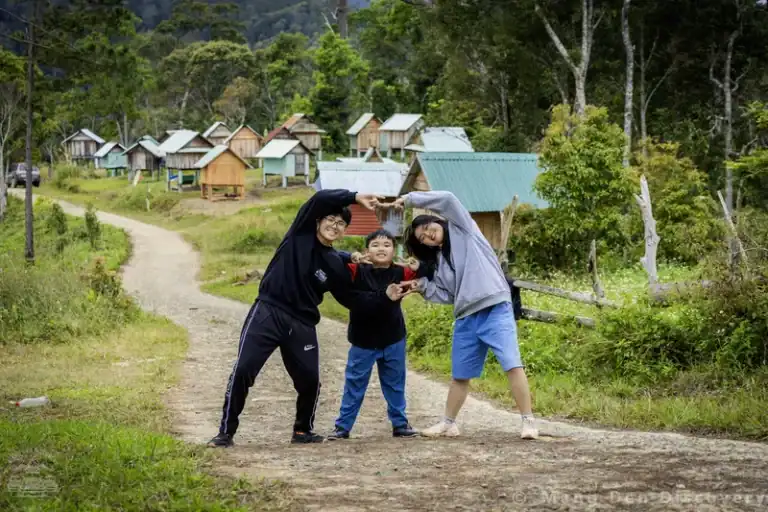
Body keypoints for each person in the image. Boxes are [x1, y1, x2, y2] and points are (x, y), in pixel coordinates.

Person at [207, 189, 408, 448]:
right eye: (330, 220)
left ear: (344, 231)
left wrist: (385, 296)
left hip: (302, 323)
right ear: (317, 221)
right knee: (244, 369)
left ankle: (302, 431)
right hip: (268, 311)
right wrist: (355, 197)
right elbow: (320, 199)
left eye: (341, 224)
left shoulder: (335, 263)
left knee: (310, 380)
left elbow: (352, 299)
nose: (334, 226)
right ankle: (225, 432)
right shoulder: (299, 235)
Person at [382, 190, 539, 440]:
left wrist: (409, 199)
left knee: (512, 363)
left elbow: (448, 200)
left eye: (427, 229)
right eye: (423, 239)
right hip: (466, 316)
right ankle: (448, 423)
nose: (428, 236)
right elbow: (447, 295)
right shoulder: (441, 264)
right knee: (460, 374)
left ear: (436, 221)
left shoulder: (464, 229)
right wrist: (421, 286)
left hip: (494, 308)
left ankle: (528, 421)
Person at [328, 230, 433, 440]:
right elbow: (330, 256)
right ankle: (343, 427)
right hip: (362, 340)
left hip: (393, 337)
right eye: (375, 245)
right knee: (354, 384)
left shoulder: (402, 272)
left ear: (395, 250)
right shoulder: (355, 270)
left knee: (395, 383)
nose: (381, 249)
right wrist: (352, 256)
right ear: (367, 250)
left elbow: (431, 272)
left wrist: (419, 267)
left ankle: (400, 424)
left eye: (387, 245)